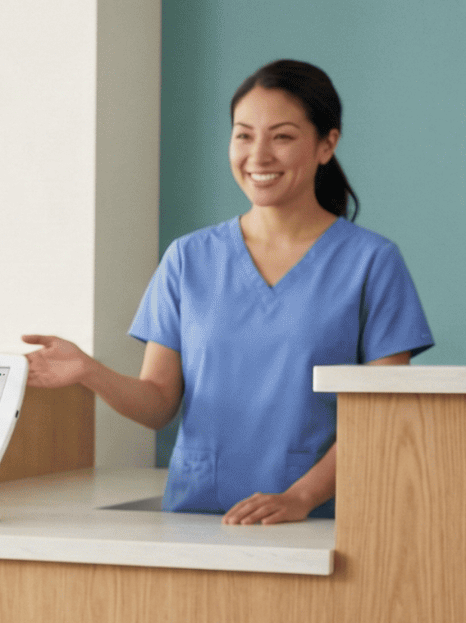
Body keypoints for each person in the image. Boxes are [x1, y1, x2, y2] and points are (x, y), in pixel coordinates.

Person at [22, 59, 433, 524]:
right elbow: (159, 403)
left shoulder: (372, 263)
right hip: (198, 518)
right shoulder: (188, 258)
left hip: (323, 523)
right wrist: (88, 371)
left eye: (282, 136)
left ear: (326, 145)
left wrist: (300, 497)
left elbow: (383, 415)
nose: (258, 155)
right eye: (243, 134)